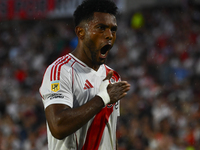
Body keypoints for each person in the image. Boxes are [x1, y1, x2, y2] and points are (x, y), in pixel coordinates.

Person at [39, 0, 131, 149]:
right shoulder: (61, 70)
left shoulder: (113, 76)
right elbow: (58, 126)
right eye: (101, 28)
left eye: (113, 29)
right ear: (81, 32)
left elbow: (108, 132)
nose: (109, 35)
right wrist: (104, 98)